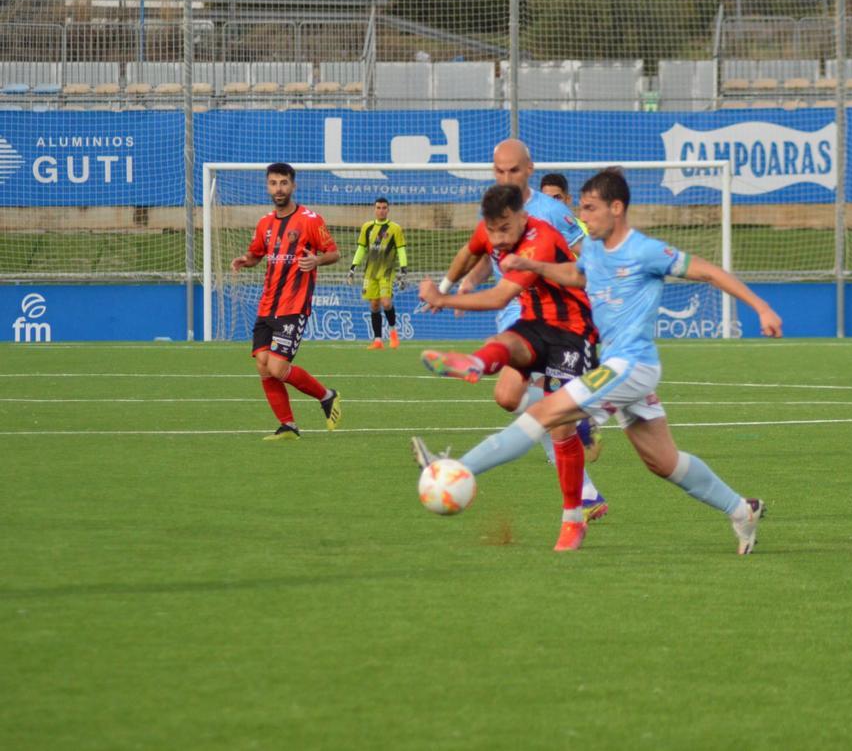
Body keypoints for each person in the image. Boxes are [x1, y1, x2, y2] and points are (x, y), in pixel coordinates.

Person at [414, 168, 784, 555]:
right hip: (615, 364)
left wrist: (761, 307)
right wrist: (534, 267)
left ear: (616, 208)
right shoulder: (593, 249)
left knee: (545, 414)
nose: (582, 216)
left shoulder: (645, 250)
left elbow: (708, 271)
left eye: (590, 208)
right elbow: (575, 275)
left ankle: (458, 469)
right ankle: (741, 509)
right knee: (664, 462)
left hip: (632, 366)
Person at [426, 140, 608, 520]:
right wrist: (459, 283)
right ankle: (578, 435)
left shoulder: (551, 213)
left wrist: (593, 285)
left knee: (545, 411)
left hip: (558, 318)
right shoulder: (495, 210)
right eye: (500, 170)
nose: (506, 177)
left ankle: (580, 490)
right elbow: (479, 251)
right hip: (520, 309)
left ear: (529, 169)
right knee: (510, 398)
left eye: (513, 170)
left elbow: (584, 253)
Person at [231, 162, 343, 440]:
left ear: (293, 185)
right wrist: (246, 260)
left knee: (277, 368)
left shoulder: (310, 219)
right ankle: (288, 425)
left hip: (294, 305)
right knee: (262, 364)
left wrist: (316, 260)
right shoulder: (265, 223)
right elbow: (257, 253)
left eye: (283, 183)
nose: (278, 189)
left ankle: (327, 396)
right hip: (267, 304)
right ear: (267, 186)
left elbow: (333, 253)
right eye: (273, 183)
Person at [347, 197, 408, 350]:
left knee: (386, 303)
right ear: (374, 209)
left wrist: (403, 269)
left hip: (387, 272)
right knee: (374, 305)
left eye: (384, 208)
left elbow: (401, 250)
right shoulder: (367, 227)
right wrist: (353, 267)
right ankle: (378, 340)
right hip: (370, 272)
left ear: (388, 210)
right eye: (378, 208)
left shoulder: (395, 228)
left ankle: (393, 333)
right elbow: (361, 248)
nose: (381, 210)